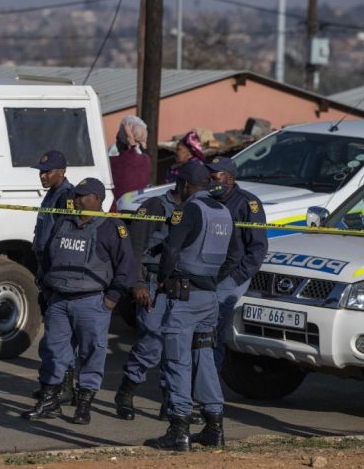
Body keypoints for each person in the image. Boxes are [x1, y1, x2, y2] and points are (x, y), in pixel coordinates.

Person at [22, 178, 135, 425]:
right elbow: (49, 256)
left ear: (97, 199)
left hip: (92, 302)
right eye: (76, 195)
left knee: (91, 353)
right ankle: (50, 400)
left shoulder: (112, 227)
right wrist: (49, 287)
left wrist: (112, 298)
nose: (76, 199)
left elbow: (127, 266)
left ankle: (83, 405)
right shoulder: (64, 222)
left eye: (83, 195)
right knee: (54, 351)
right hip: (60, 300)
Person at [145, 163, 233, 451]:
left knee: (176, 360)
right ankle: (214, 427)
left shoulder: (189, 210)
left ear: (184, 185)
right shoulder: (223, 211)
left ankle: (179, 429)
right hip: (209, 297)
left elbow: (171, 248)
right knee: (204, 359)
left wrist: (164, 278)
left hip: (185, 297)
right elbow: (232, 256)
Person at [114, 186, 180, 420]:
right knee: (152, 342)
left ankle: (170, 399)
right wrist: (138, 283)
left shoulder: (195, 207)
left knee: (175, 345)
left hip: (179, 284)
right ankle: (126, 391)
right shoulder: (154, 206)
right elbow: (134, 247)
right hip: (151, 282)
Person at [206, 156, 268, 371]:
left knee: (211, 331)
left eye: (216, 176)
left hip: (231, 276)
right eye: (209, 176)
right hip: (206, 274)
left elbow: (258, 248)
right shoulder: (206, 199)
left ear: (230, 179)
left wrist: (235, 278)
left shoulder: (247, 203)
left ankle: (207, 387)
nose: (211, 181)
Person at [30, 150, 76, 405]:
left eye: (48, 172)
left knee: (60, 335)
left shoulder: (66, 198)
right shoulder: (51, 196)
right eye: (41, 172)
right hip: (45, 269)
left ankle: (64, 387)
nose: (43, 176)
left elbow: (62, 239)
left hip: (56, 271)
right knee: (53, 333)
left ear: (62, 171)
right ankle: (52, 383)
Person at [109, 115, 151, 212]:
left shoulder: (112, 162)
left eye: (118, 138)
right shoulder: (146, 160)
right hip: (139, 210)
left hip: (117, 213)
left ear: (121, 141)